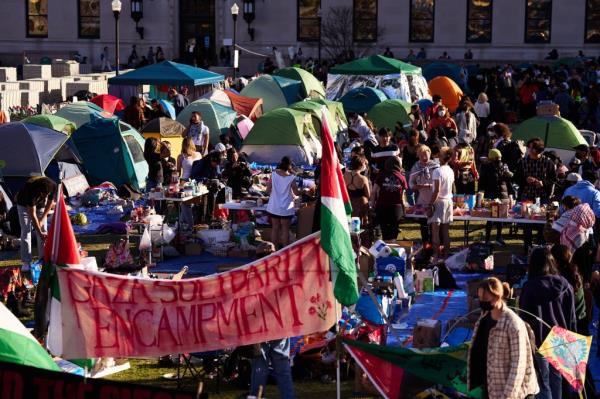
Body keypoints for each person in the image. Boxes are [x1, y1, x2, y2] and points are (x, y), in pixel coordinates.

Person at [467, 277, 539, 399]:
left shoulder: (513, 324)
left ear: (497, 296)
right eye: (479, 298)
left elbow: (518, 366)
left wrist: (508, 396)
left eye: (485, 298)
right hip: (493, 387)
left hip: (516, 393)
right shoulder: (484, 320)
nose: (481, 302)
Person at [519, 247, 576, 399]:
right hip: (560, 340)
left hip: (538, 340)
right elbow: (571, 316)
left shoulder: (530, 287)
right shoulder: (565, 284)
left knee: (542, 383)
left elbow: (523, 317)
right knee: (556, 380)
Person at [16, 177, 56, 271]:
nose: (45, 196)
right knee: (26, 231)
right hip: (23, 205)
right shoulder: (31, 189)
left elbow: (50, 203)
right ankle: (26, 262)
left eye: (47, 195)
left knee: (44, 231)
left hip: (40, 207)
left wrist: (42, 219)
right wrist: (39, 231)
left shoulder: (53, 186)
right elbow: (32, 214)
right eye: (43, 194)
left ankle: (43, 259)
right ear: (39, 190)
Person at [480, 149, 514, 245]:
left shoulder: (498, 167)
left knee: (499, 218)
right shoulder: (492, 167)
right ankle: (488, 238)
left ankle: (498, 237)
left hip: (499, 195)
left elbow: (509, 180)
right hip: (494, 196)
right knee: (491, 218)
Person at [266, 157, 300, 249]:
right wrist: (304, 191)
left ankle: (274, 250)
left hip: (274, 206)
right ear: (290, 165)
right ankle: (285, 251)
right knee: (285, 230)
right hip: (286, 207)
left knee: (275, 228)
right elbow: (296, 193)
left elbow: (267, 190)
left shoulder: (273, 174)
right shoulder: (291, 178)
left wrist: (275, 195)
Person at [370, 156, 407, 241]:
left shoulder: (381, 175)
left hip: (382, 206)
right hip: (396, 208)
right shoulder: (402, 177)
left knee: (385, 231)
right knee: (394, 232)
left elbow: (374, 192)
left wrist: (372, 205)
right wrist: (404, 209)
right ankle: (391, 249)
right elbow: (402, 197)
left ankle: (385, 250)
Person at [409, 145, 438, 243]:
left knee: (434, 227)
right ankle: (426, 248)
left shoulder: (436, 166)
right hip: (422, 199)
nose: (424, 158)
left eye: (426, 155)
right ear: (418, 156)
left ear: (430, 154)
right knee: (424, 227)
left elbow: (441, 183)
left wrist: (430, 186)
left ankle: (435, 248)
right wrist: (416, 186)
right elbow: (411, 182)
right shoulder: (416, 167)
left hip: (435, 200)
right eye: (422, 156)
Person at [428, 147, 454, 259]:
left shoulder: (437, 171)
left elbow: (436, 190)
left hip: (439, 202)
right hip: (448, 201)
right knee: (445, 231)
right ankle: (446, 255)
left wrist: (430, 204)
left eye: (440, 154)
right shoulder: (450, 170)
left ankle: (436, 255)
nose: (438, 156)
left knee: (435, 231)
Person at [344, 155, 370, 225]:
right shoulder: (363, 178)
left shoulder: (345, 175)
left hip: (349, 203)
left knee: (349, 224)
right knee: (360, 225)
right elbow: (368, 195)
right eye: (364, 164)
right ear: (361, 165)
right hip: (360, 203)